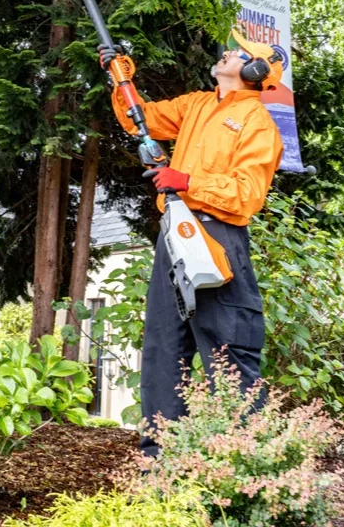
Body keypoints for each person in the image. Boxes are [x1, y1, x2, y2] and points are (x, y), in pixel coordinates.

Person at [99, 28, 284, 458]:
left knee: (228, 345)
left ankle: (245, 461)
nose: (227, 51)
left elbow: (247, 194)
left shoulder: (259, 125)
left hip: (218, 236)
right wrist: (119, 77)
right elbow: (137, 117)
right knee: (164, 345)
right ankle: (160, 460)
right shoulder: (198, 104)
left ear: (255, 70)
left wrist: (187, 181)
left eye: (239, 53)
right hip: (176, 235)